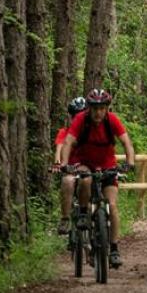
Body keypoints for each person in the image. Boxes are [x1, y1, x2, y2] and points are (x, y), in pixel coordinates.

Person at [63, 88, 136, 268]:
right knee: (85, 180)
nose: (98, 112)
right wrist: (65, 163)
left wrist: (130, 162)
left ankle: (114, 249)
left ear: (107, 108)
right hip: (84, 162)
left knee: (112, 205)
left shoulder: (112, 121)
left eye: (102, 108)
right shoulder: (81, 120)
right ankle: (83, 213)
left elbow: (126, 142)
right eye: (95, 108)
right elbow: (68, 142)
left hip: (107, 166)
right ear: (89, 108)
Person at [52, 96, 87, 230]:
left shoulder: (92, 132)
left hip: (89, 168)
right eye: (74, 116)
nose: (77, 119)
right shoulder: (64, 132)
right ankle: (65, 219)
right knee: (67, 181)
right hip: (71, 168)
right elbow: (60, 147)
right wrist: (57, 162)